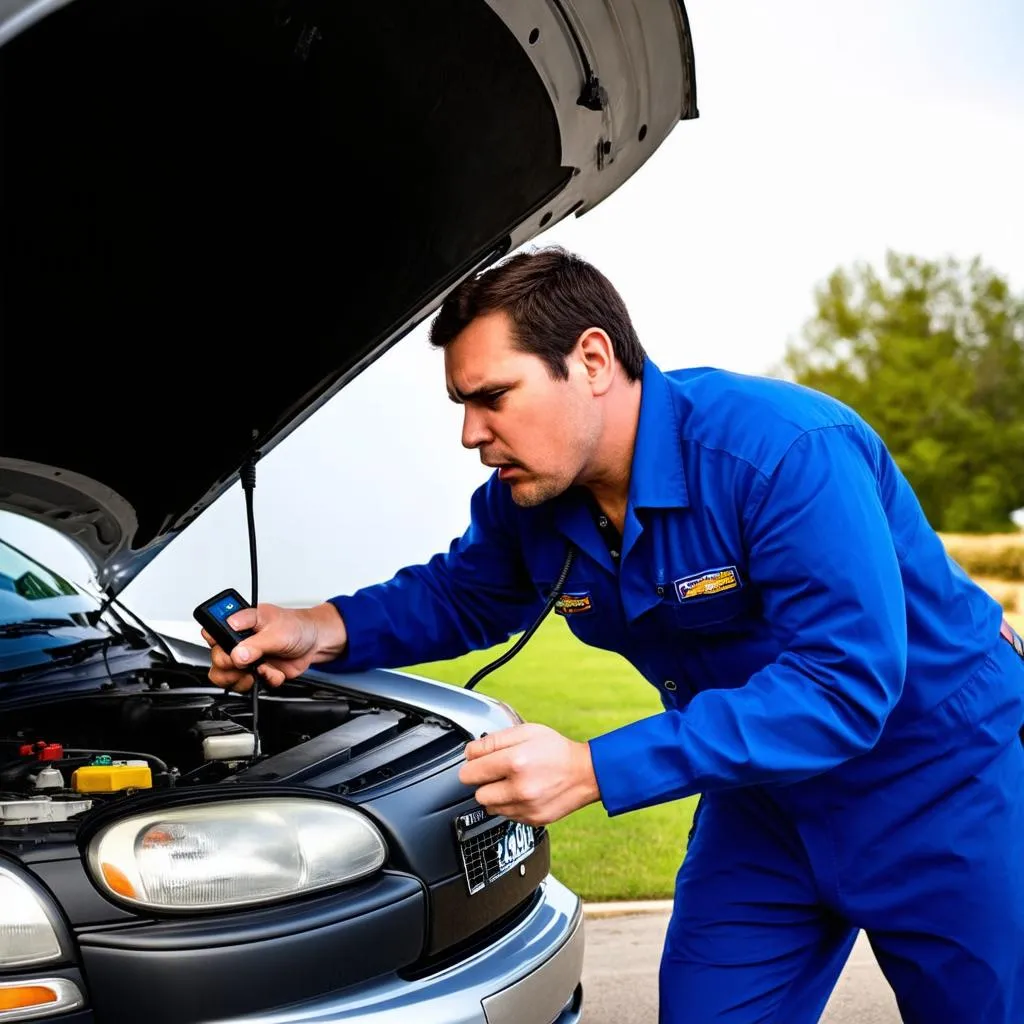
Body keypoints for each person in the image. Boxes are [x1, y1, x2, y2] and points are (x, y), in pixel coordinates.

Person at [203, 246, 1024, 1024]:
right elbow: (464, 593)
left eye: (494, 397)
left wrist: (596, 768)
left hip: (940, 783)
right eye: (462, 406)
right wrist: (323, 628)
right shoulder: (530, 500)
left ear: (592, 360)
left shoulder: (783, 454)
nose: (471, 435)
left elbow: (842, 686)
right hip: (766, 802)